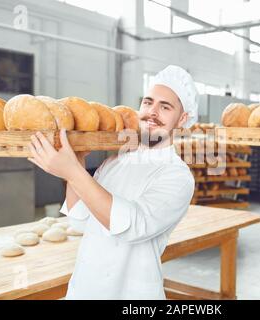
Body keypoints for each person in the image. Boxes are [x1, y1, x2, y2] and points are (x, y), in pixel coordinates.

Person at [28, 65, 199, 299]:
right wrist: (75, 166)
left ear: (182, 119)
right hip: (84, 289)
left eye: (165, 106)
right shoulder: (115, 161)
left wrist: (74, 173)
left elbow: (132, 226)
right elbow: (80, 219)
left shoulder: (177, 176)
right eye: (148, 102)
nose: (152, 112)